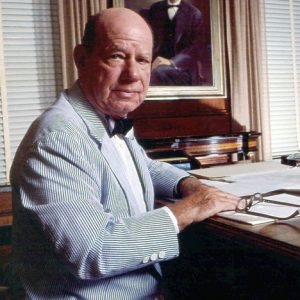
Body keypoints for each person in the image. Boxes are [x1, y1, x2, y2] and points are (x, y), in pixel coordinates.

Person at [10, 8, 242, 300]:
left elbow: (144, 166)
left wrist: (191, 186)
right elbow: (94, 252)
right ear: (81, 59)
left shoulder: (103, 117)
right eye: (116, 56)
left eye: (143, 60)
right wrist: (190, 209)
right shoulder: (59, 139)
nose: (133, 74)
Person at [142, 0, 208, 86]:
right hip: (155, 62)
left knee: (158, 73)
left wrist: (172, 62)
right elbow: (149, 37)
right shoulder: (156, 8)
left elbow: (195, 49)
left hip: (182, 68)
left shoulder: (194, 13)